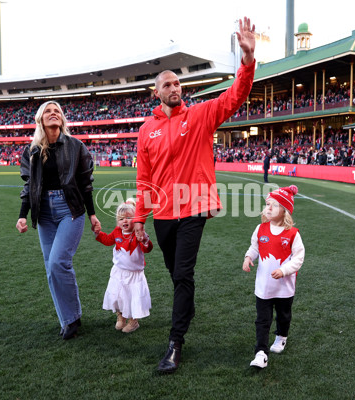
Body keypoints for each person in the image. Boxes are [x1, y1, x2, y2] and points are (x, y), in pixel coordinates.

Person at [133, 16, 256, 373]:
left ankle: (175, 344)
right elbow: (144, 178)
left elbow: (235, 97)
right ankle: (186, 308)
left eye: (178, 83)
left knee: (183, 274)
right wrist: (140, 219)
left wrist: (246, 61)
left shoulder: (200, 115)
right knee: (176, 274)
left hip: (194, 207)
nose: (175, 87)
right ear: (156, 92)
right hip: (162, 214)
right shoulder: (146, 130)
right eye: (168, 84)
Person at [16, 101, 101, 340]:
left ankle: (71, 318)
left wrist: (93, 214)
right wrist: (22, 216)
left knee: (58, 262)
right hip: (43, 212)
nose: (53, 114)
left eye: (57, 112)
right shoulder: (32, 151)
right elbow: (29, 186)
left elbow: (86, 183)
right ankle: (70, 319)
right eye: (48, 111)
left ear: (62, 120)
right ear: (40, 119)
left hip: (70, 209)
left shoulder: (76, 146)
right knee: (51, 268)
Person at [242, 185, 305, 369]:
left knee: (283, 316)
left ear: (285, 211)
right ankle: (261, 353)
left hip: (285, 288)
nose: (268, 208)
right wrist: (248, 257)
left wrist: (284, 270)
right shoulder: (260, 228)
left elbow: (299, 258)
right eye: (267, 204)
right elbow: (254, 247)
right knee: (262, 319)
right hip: (264, 286)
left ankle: (281, 336)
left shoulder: (293, 233)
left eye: (274, 205)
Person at [95, 199, 153, 333]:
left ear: (136, 220)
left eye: (129, 218)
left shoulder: (138, 233)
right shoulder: (117, 231)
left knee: (133, 298)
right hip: (118, 272)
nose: (124, 221)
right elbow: (108, 240)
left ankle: (134, 321)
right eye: (121, 219)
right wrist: (98, 234)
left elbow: (147, 249)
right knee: (118, 296)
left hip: (134, 275)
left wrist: (145, 240)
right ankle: (120, 317)